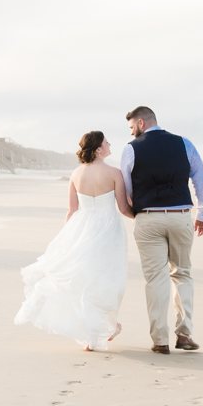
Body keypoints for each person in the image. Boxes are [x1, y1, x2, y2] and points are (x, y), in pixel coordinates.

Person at [14, 130, 133, 351]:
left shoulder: (76, 174)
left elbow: (72, 210)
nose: (110, 145)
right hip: (108, 229)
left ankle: (93, 333)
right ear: (98, 149)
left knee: (84, 279)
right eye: (106, 143)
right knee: (106, 278)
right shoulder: (114, 173)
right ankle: (104, 327)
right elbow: (124, 208)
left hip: (82, 227)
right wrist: (143, 216)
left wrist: (68, 237)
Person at [118, 106, 203, 355]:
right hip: (180, 217)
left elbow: (126, 188)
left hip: (148, 218)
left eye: (131, 126)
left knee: (155, 279)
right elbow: (200, 177)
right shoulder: (184, 144)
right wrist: (202, 213)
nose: (131, 131)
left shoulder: (131, 149)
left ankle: (160, 339)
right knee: (183, 274)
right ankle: (185, 333)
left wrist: (134, 211)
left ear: (141, 123)